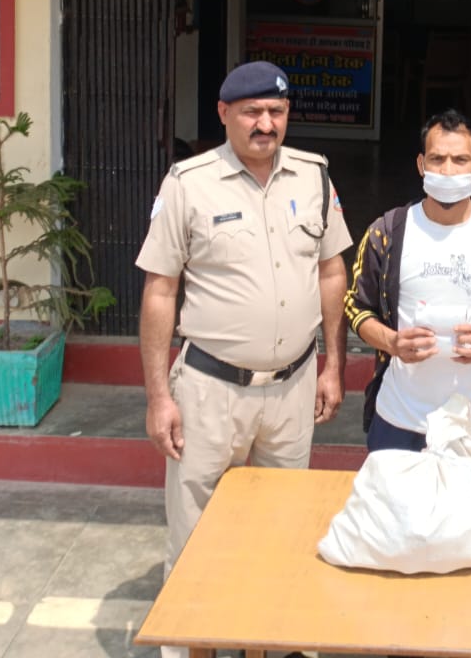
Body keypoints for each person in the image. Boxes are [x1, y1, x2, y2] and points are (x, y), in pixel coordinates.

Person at [135, 60, 353, 608]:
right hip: (211, 391)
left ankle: (270, 633)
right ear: (223, 113)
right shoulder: (189, 183)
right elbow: (160, 290)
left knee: (285, 524)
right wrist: (159, 397)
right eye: (252, 111)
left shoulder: (314, 175)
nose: (265, 124)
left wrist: (332, 365)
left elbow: (331, 271)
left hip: (293, 387)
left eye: (276, 111)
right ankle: (192, 636)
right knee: (195, 531)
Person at [344, 109, 471, 453]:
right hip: (398, 421)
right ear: (421, 164)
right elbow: (356, 307)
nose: (448, 170)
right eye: (437, 159)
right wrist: (391, 342)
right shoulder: (387, 232)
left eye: (460, 160)